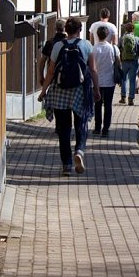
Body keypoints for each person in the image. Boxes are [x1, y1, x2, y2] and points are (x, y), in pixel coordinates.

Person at [38, 16, 100, 176]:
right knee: (81, 125)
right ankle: (79, 151)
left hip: (60, 91)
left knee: (64, 129)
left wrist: (44, 91)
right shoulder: (86, 45)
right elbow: (92, 69)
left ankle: (66, 165)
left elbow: (51, 71)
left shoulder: (58, 45)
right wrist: (97, 89)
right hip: (80, 90)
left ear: (66, 30)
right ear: (80, 30)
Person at [92, 25, 119, 136]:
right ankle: (106, 129)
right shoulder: (113, 48)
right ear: (108, 35)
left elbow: (90, 66)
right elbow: (118, 63)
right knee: (108, 105)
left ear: (97, 35)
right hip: (109, 80)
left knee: (97, 105)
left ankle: (97, 127)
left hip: (96, 81)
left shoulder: (93, 48)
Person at [119, 21, 139, 105]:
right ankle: (131, 99)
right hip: (134, 60)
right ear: (133, 30)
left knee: (124, 79)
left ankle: (123, 97)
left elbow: (119, 48)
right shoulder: (136, 39)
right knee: (132, 80)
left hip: (124, 61)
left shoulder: (122, 38)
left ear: (126, 29)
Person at [38, 18, 65, 86]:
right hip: (67, 75)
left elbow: (43, 60)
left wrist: (41, 76)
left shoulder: (50, 42)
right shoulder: (69, 42)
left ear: (55, 28)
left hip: (52, 74)